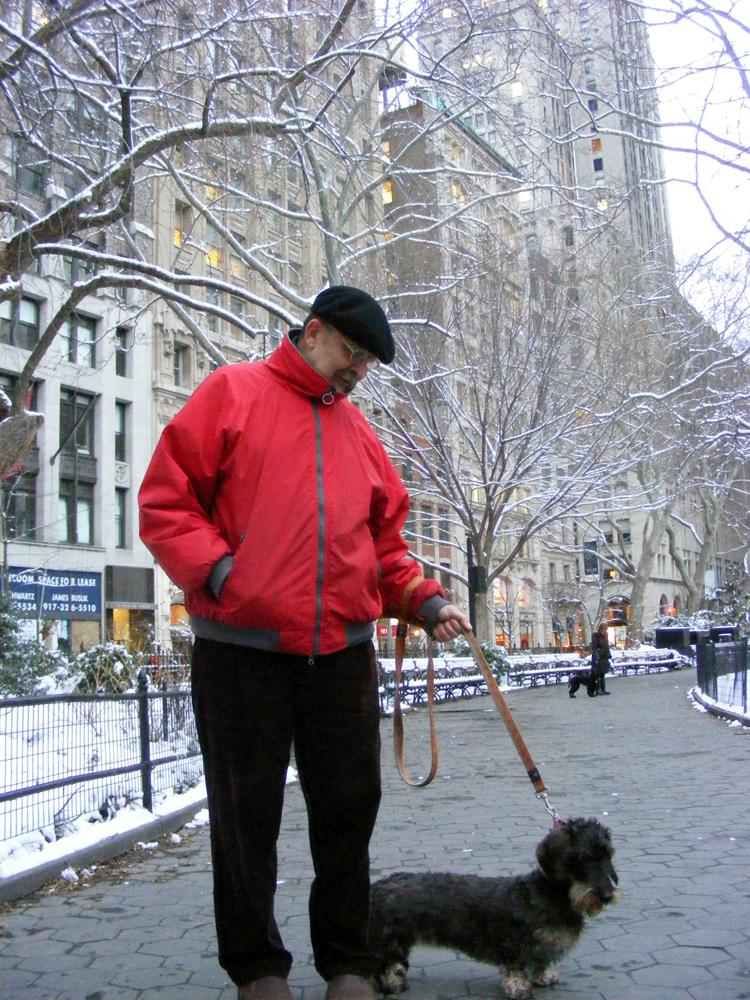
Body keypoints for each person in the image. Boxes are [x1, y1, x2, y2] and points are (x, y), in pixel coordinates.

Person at [138, 286, 471, 1000]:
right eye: (351, 355)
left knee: (351, 811)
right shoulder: (231, 394)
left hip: (342, 658)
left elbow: (384, 551)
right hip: (240, 652)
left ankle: (347, 962)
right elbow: (166, 501)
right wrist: (226, 573)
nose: (357, 373)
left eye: (367, 365)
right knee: (244, 818)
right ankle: (257, 969)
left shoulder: (361, 438)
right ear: (313, 332)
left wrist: (423, 599)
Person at [591, 622, 612, 695]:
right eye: (604, 629)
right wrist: (599, 653)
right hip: (598, 657)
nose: (605, 631)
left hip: (604, 657)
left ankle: (603, 689)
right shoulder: (595, 635)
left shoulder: (605, 636)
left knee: (602, 674)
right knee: (597, 674)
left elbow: (607, 646)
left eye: (606, 629)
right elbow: (594, 647)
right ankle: (597, 690)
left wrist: (608, 654)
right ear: (600, 629)